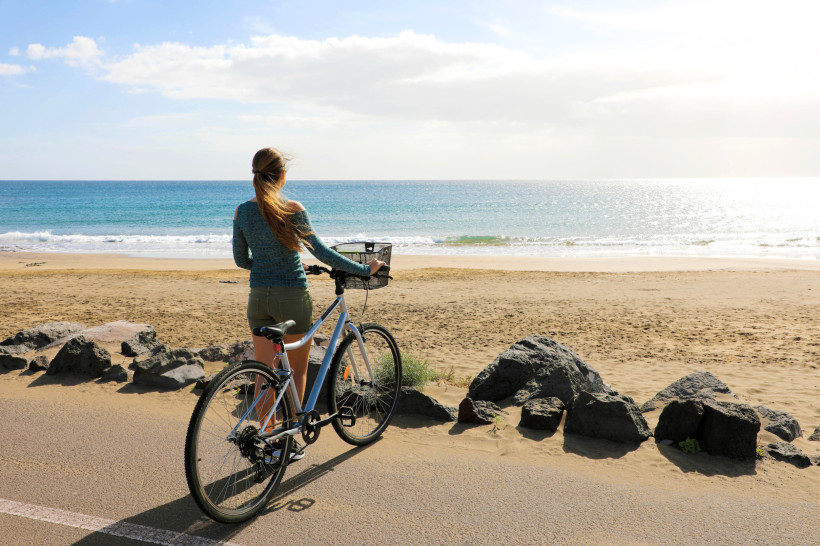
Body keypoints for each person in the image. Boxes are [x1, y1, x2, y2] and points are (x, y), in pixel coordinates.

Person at [232, 147, 385, 424]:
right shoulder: (293, 209)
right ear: (282, 176)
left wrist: (270, 264)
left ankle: (268, 437)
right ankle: (292, 437)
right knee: (296, 372)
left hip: (258, 300)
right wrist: (365, 269)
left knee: (264, 372)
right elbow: (323, 253)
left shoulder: (241, 211)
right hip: (291, 297)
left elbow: (242, 260)